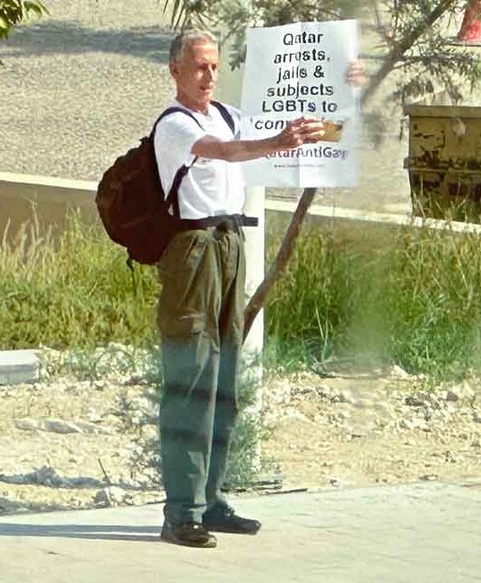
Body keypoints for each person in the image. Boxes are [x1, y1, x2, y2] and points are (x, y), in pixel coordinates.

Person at [152, 29, 326, 549]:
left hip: (230, 243)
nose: (208, 76)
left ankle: (212, 499)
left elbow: (273, 134)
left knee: (226, 373)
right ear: (176, 71)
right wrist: (275, 142)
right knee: (191, 377)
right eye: (199, 67)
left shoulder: (226, 114)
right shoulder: (175, 126)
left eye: (213, 66)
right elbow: (227, 152)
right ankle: (181, 510)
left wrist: (335, 99)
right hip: (194, 249)